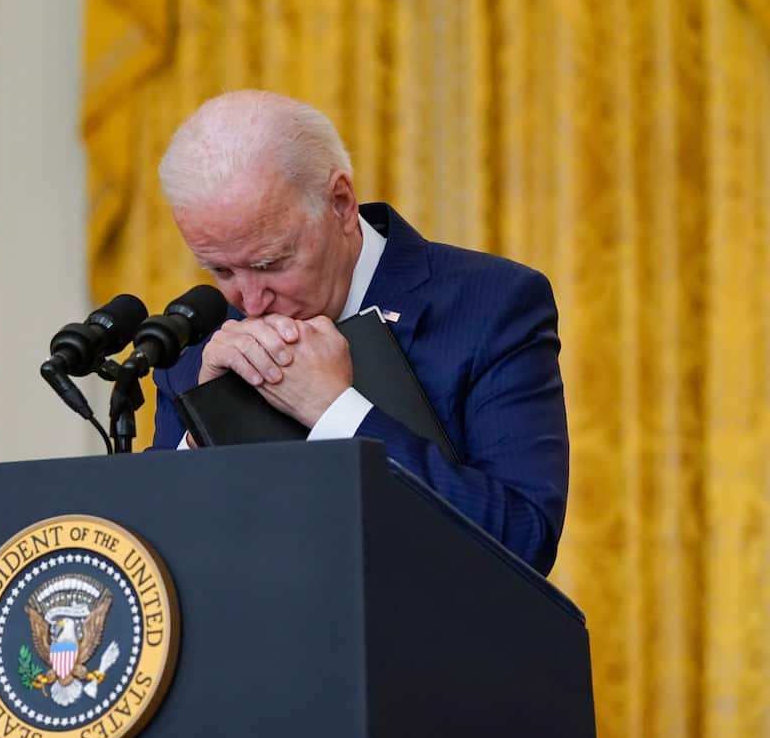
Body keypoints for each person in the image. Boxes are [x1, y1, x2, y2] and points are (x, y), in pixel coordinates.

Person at [151, 90, 569, 575]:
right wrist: (208, 426)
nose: (249, 301)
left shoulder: (492, 304)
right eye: (219, 271)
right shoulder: (195, 341)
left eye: (270, 263)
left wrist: (337, 412)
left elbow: (522, 542)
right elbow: (153, 566)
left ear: (341, 204)